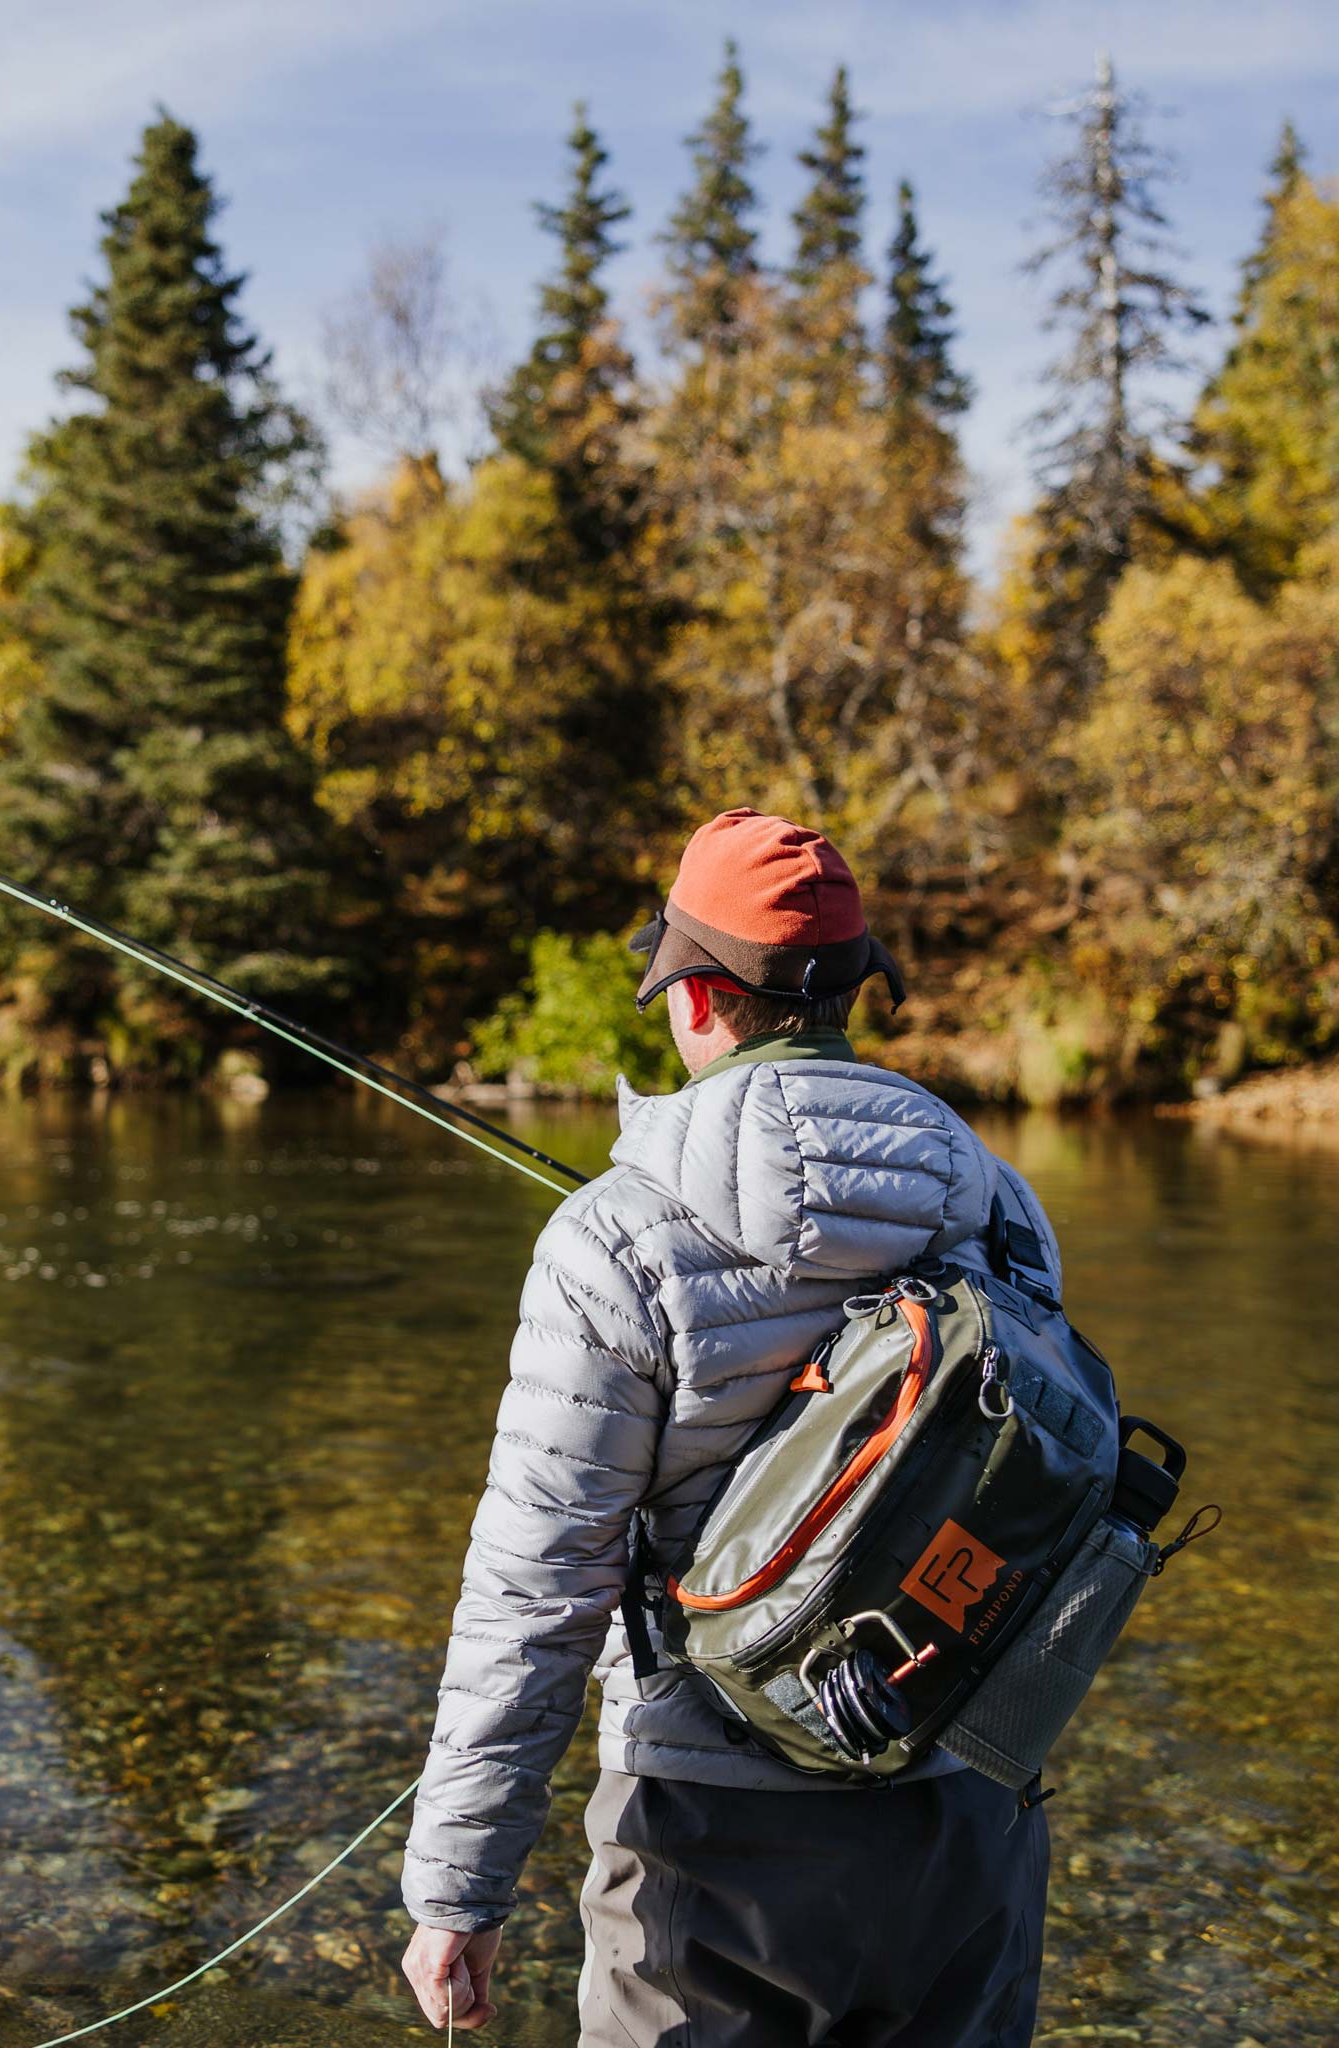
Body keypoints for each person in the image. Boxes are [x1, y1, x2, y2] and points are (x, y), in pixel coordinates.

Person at [399, 808, 1056, 2047]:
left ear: (693, 997)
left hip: (705, 1835)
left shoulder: (609, 1239)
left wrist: (456, 1890)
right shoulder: (1002, 1206)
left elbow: (536, 1587)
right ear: (852, 993)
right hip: (964, 1811)